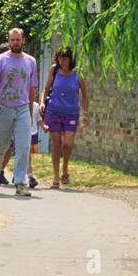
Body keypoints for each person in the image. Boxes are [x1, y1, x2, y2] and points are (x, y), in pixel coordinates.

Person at [0, 28, 39, 196]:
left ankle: (20, 183)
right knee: (1, 145)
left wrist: (30, 111)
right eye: (12, 40)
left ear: (23, 41)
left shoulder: (30, 62)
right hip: (4, 107)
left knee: (23, 145)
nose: (15, 43)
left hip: (22, 108)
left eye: (18, 40)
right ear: (9, 41)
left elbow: (32, 87)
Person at [41, 47, 89, 187]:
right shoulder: (54, 70)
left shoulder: (78, 73)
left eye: (65, 58)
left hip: (71, 113)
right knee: (56, 145)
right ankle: (56, 177)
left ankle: (65, 168)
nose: (62, 61)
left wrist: (85, 113)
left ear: (70, 59)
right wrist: (42, 102)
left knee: (67, 144)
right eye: (60, 58)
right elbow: (46, 88)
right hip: (54, 111)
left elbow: (85, 96)